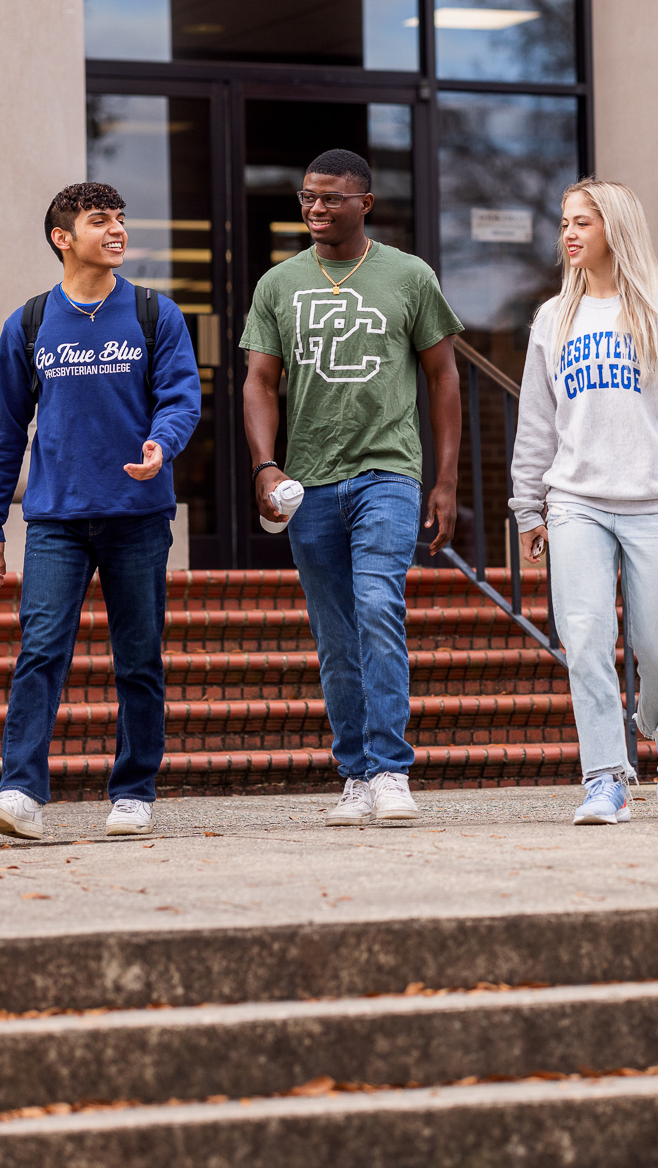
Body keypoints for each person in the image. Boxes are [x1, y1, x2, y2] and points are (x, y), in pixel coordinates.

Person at [0, 182, 201, 840]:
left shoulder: (157, 315)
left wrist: (164, 443)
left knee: (138, 658)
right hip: (55, 520)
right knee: (40, 653)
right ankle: (20, 792)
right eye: (101, 221)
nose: (118, 230)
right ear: (62, 238)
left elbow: (182, 398)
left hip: (138, 515)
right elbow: (4, 428)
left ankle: (133, 792)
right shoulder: (31, 322)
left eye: (122, 219)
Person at [510, 178, 658, 825]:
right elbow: (536, 423)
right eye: (564, 222)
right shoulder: (554, 319)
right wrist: (528, 506)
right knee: (584, 638)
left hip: (657, 500)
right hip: (576, 501)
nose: (569, 233)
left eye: (583, 221)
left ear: (616, 227)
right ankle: (605, 778)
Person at [240, 149, 463, 828]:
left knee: (375, 605)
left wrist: (446, 481)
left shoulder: (409, 277)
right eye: (308, 196)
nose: (316, 207)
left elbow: (444, 379)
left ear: (365, 203)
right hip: (308, 483)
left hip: (387, 472)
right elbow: (259, 381)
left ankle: (392, 768)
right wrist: (263, 464)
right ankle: (356, 775)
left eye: (332, 198)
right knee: (335, 636)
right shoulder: (278, 285)